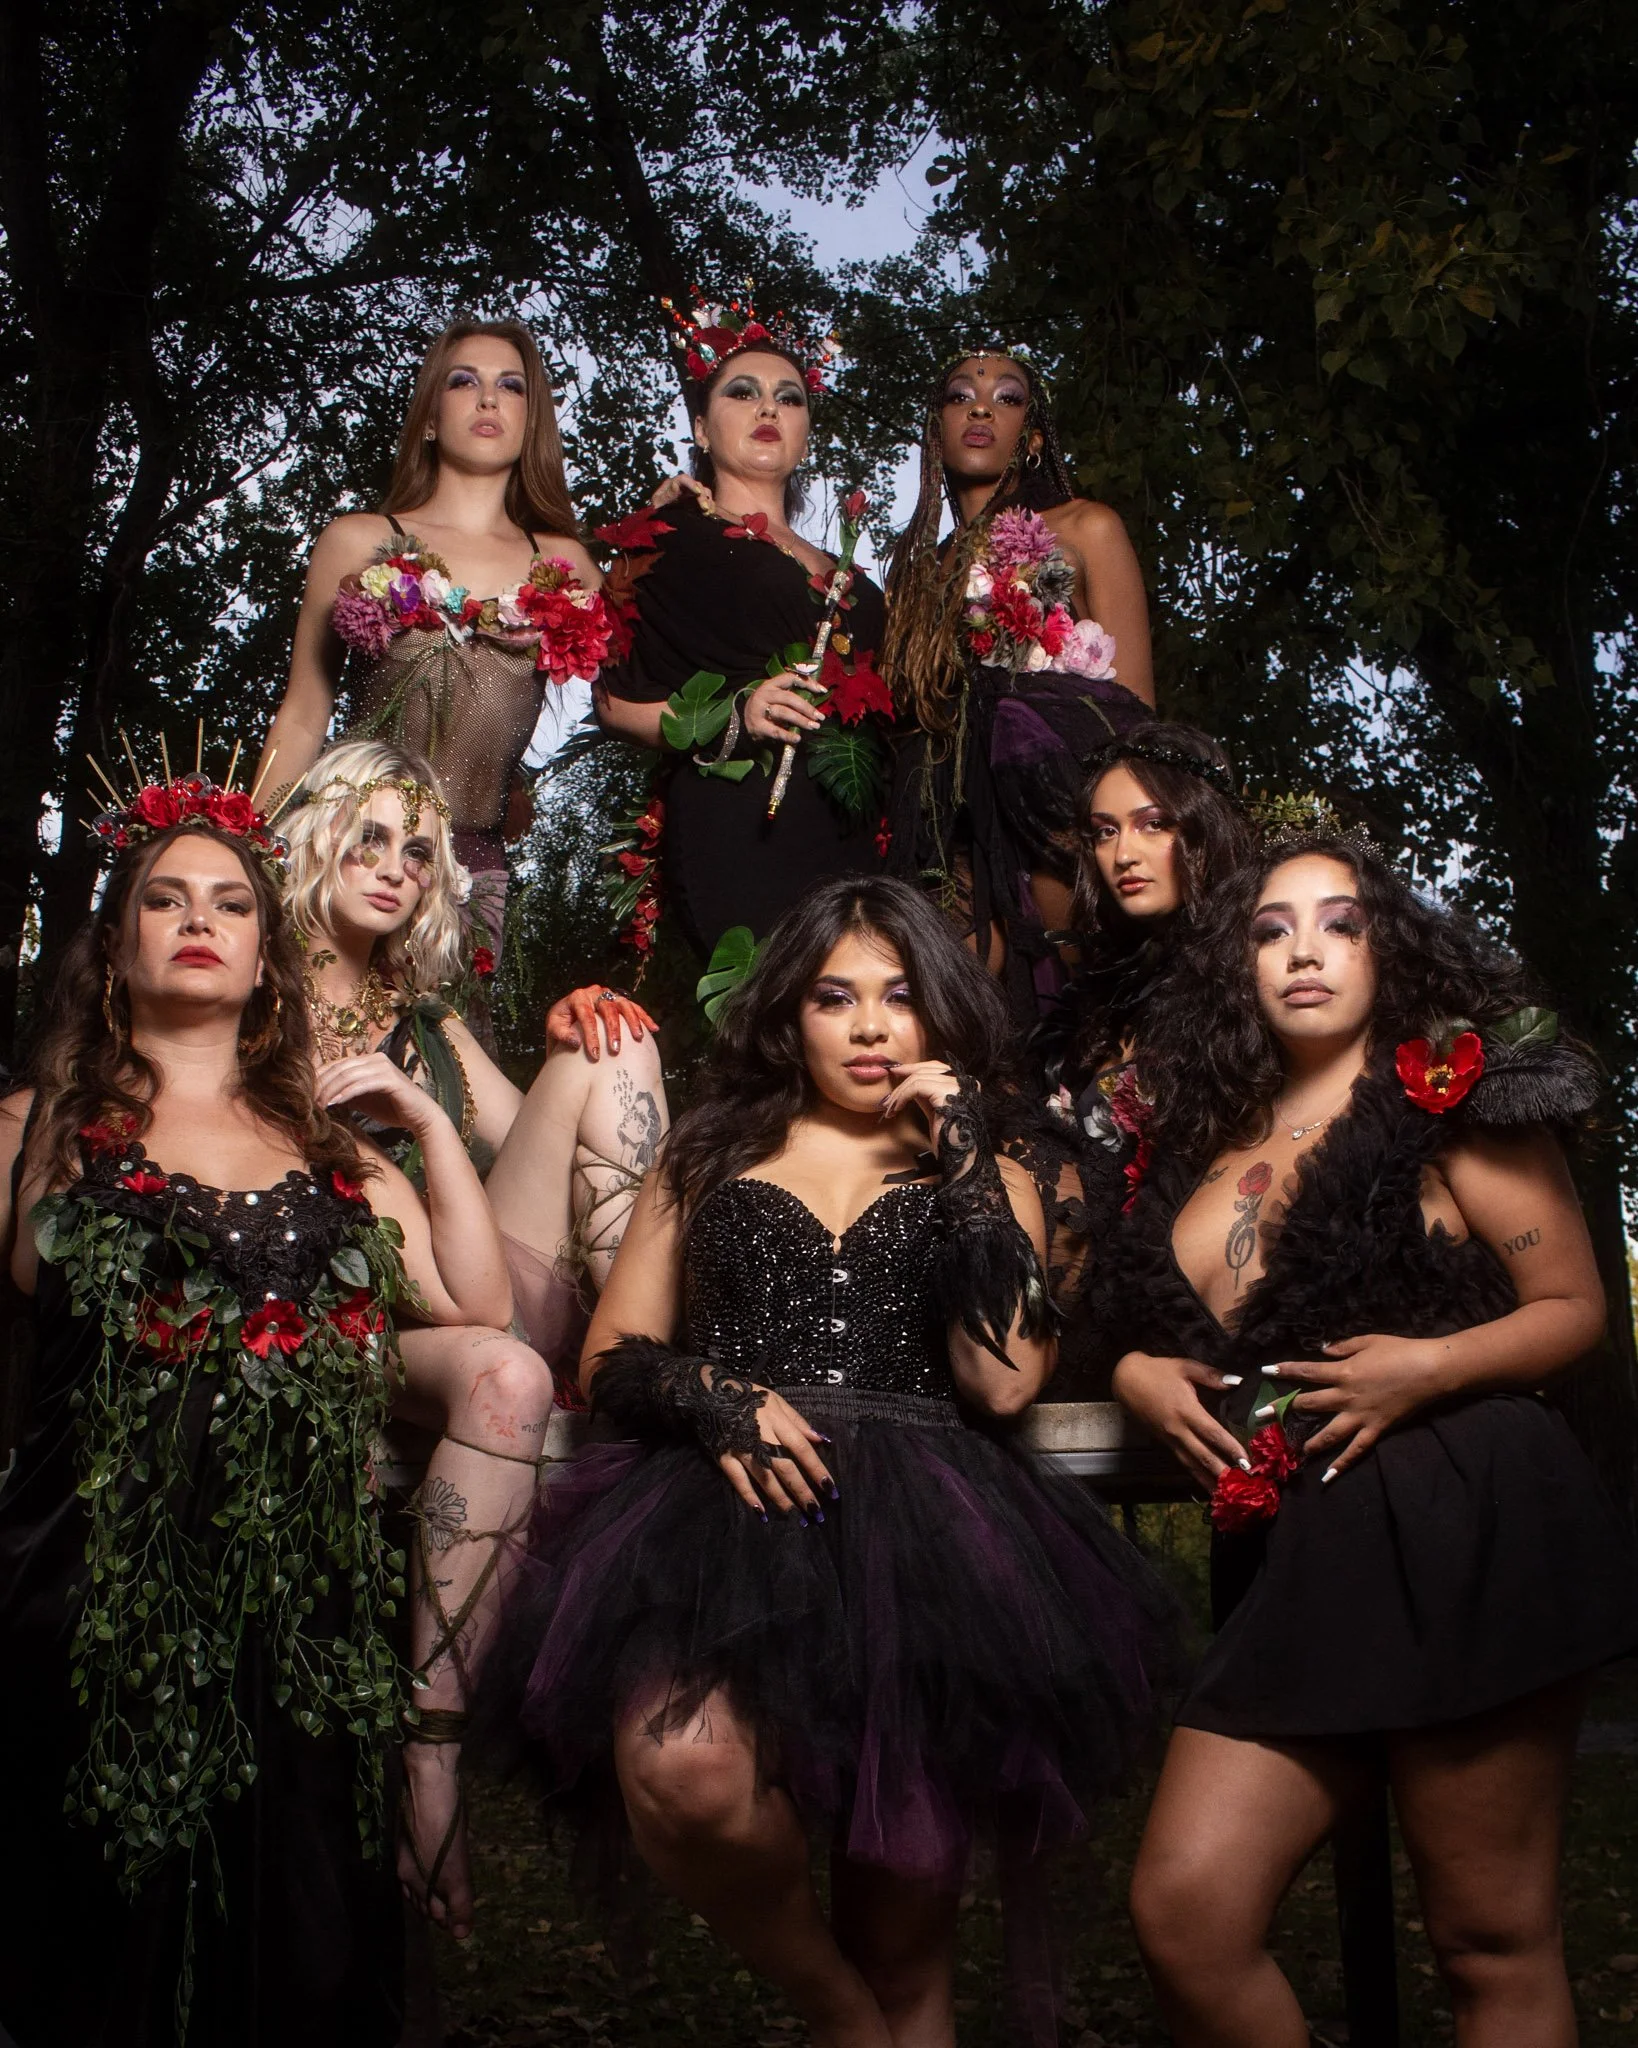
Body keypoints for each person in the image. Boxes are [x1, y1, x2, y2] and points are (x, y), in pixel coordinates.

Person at [481, 876, 1170, 2048]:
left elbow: (1002, 1380)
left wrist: (960, 1158)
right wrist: (715, 1390)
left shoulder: (995, 1166)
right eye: (833, 996)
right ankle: (839, 2013)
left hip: (933, 1544)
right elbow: (610, 1354)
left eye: (900, 997)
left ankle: (881, 2014)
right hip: (723, 1522)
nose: (868, 1025)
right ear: (787, 1016)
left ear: (941, 1015)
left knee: (909, 1936)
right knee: (683, 1772)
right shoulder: (709, 1151)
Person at [1102, 823, 1637, 2046]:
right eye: (1271, 929)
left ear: (1387, 949)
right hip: (1297, 1553)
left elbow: (1575, 1311)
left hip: (1465, 1513)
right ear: (1234, 965)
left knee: (1487, 1935)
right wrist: (1134, 1367)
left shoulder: (1449, 1102)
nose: (1305, 952)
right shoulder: (1196, 1145)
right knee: (1188, 1906)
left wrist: (1428, 1364)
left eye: (1341, 923)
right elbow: (1138, 1314)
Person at [0, 769, 512, 2045]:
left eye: (231, 902)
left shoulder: (328, 1151)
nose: (198, 918)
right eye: (164, 898)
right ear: (114, 945)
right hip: (85, 1607)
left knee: (302, 1965)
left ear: (266, 956)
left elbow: (474, 1306)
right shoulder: (33, 1128)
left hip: (302, 1632)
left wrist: (424, 1129)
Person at [278, 737, 670, 1936]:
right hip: (351, 1317)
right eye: (370, 836)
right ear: (313, 838)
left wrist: (580, 1035)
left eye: (419, 846)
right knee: (500, 1366)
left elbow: (549, 1125)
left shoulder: (429, 1021)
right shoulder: (256, 992)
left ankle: (655, 1357)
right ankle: (428, 1739)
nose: (396, 866)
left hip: (478, 1286)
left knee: (615, 1045)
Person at [256, 318, 610, 949]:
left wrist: (680, 518)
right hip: (347, 849)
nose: (488, 398)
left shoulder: (567, 566)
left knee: (449, 1040)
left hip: (473, 867)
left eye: (512, 386)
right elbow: (305, 711)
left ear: (532, 422)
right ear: (427, 418)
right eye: (463, 381)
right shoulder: (358, 539)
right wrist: (251, 850)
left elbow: (642, 684)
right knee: (325, 1037)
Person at [591, 298, 889, 959]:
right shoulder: (669, 538)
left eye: (789, 399)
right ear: (700, 427)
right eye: (743, 393)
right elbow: (613, 701)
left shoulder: (849, 570)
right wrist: (737, 714)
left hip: (858, 823)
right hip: (745, 820)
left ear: (806, 432)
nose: (767, 410)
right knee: (771, 1016)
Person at [881, 349, 1156, 1024]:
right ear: (936, 430)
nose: (980, 408)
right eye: (959, 396)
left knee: (1087, 1016)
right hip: (945, 831)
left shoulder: (1086, 528)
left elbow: (1139, 719)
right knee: (945, 1016)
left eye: (1007, 398)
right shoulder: (913, 576)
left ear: (1032, 439)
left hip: (1053, 817)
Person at [1040, 724, 1254, 1394]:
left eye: (1151, 824)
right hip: (1088, 1328)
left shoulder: (1255, 981)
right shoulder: (1091, 1007)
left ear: (1202, 829)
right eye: (1104, 832)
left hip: (1204, 1317)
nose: (1123, 853)